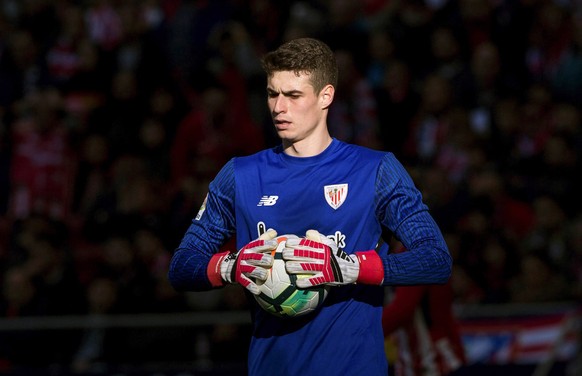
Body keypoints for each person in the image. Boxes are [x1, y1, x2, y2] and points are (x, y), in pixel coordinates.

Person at [168, 37, 452, 376]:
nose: (278, 108)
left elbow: (436, 260)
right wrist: (229, 266)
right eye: (273, 93)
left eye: (293, 95)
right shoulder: (239, 175)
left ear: (325, 96)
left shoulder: (376, 170)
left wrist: (347, 268)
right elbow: (182, 266)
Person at [383, 242, 467, 376]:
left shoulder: (415, 251)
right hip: (414, 360)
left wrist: (361, 333)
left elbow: (402, 310)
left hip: (433, 360)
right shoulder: (401, 251)